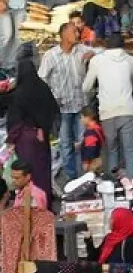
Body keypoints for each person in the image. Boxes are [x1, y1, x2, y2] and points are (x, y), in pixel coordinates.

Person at [83, 32, 133, 177]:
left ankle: (114, 187)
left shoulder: (97, 61)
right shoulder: (130, 60)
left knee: (112, 150)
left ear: (106, 45)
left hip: (107, 113)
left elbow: (86, 87)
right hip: (127, 111)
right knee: (130, 153)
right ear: (123, 45)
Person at [37, 22, 88, 180]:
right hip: (62, 108)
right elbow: (41, 80)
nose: (77, 35)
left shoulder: (81, 50)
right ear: (63, 34)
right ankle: (72, 178)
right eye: (74, 32)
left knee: (82, 143)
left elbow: (99, 53)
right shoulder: (51, 56)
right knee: (66, 145)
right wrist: (51, 99)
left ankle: (84, 178)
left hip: (80, 105)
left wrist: (93, 56)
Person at [4, 50, 54, 206]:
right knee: (43, 171)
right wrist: (43, 128)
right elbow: (52, 110)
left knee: (28, 173)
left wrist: (11, 140)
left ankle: (29, 205)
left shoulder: (20, 93)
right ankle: (45, 204)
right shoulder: (44, 88)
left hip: (25, 139)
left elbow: (15, 119)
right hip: (42, 137)